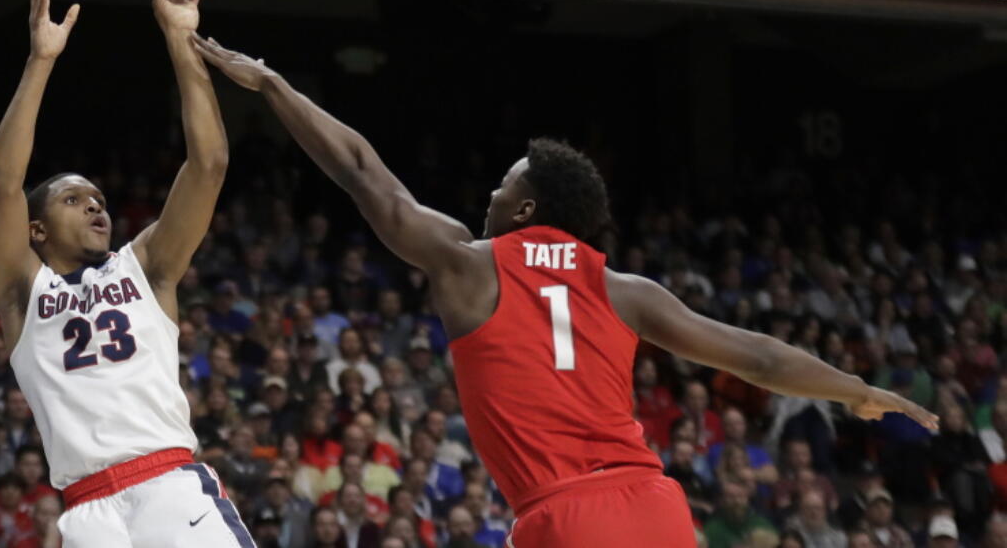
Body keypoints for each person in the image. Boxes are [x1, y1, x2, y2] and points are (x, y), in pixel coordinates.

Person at [196, 35, 940, 548]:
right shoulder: (626, 289)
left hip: (566, 513)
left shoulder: (468, 260)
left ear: (524, 209)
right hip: (655, 505)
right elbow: (759, 358)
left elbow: (365, 175)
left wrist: (271, 84)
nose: (493, 186)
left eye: (505, 181)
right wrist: (854, 389)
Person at [0, 0, 246, 548]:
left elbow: (209, 165)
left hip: (170, 486)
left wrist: (179, 36)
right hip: (87, 510)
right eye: (73, 200)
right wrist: (41, 60)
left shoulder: (145, 267)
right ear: (36, 231)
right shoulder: (23, 293)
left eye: (98, 200)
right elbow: (3, 183)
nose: (95, 207)